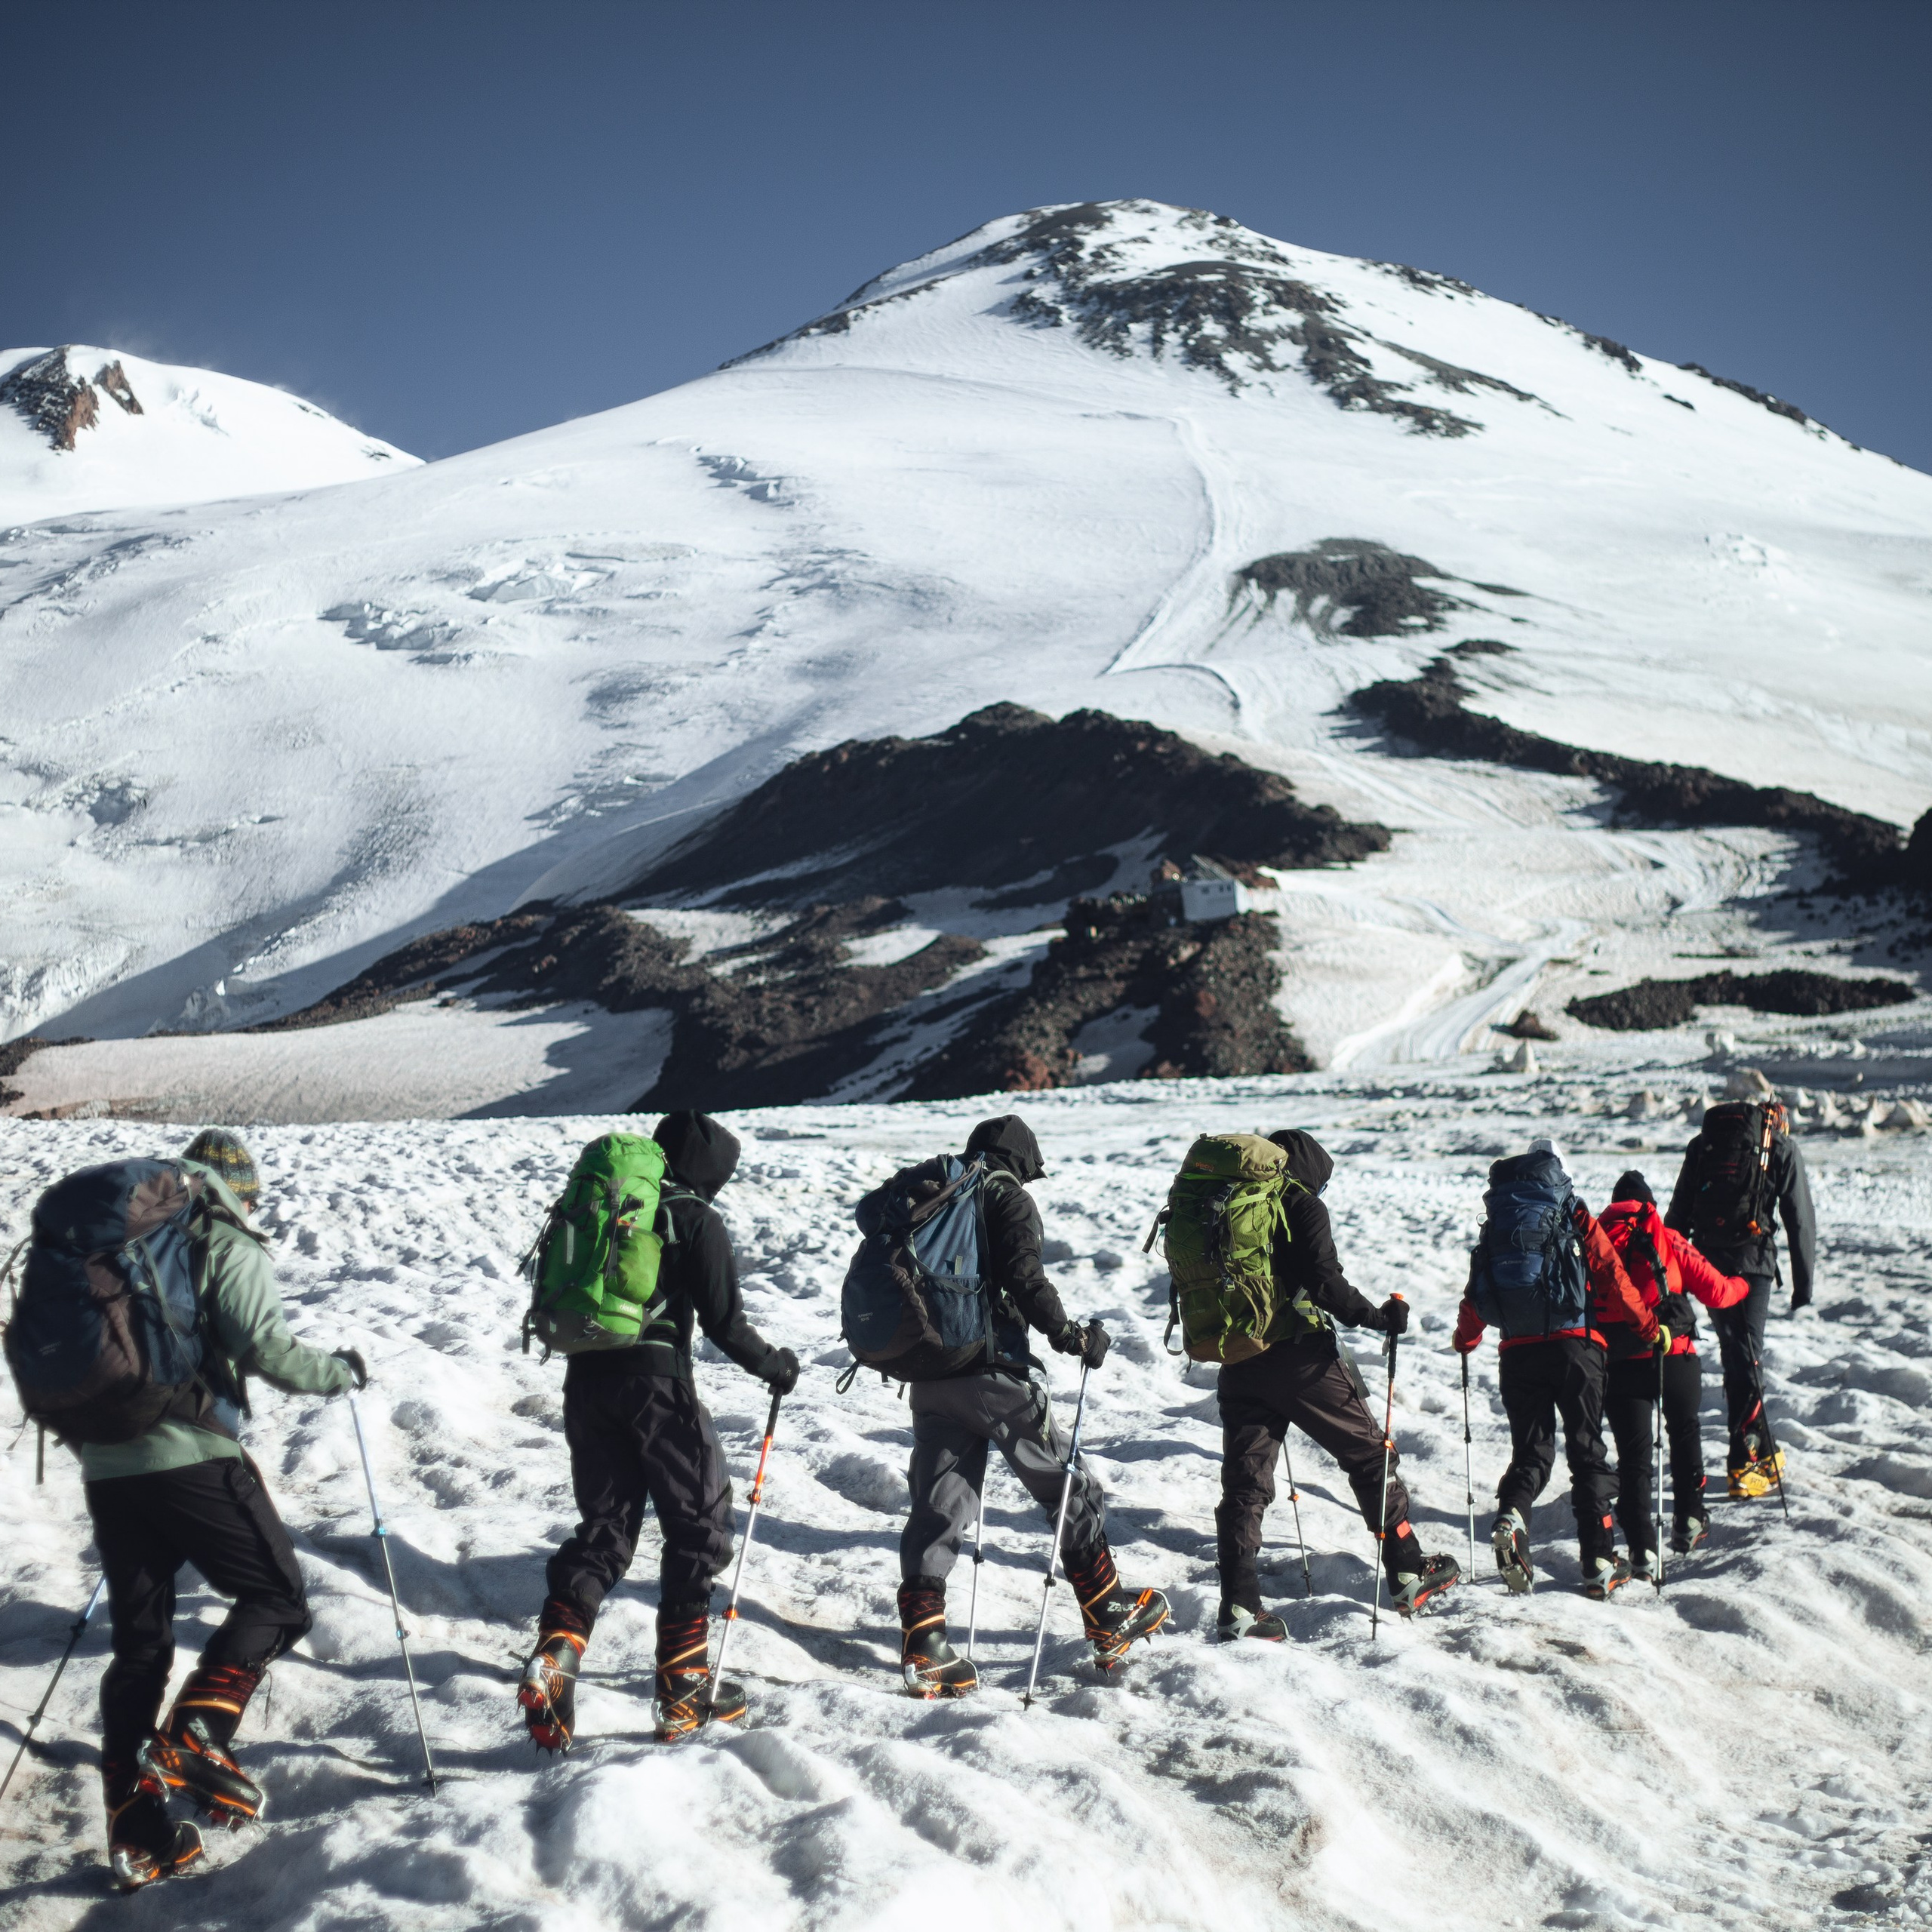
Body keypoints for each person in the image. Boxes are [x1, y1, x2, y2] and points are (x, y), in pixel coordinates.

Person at [81, 1128, 362, 1890]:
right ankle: (199, 1734)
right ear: (239, 1186)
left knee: (142, 1644)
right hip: (189, 1452)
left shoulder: (126, 1241)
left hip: (109, 1462)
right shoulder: (225, 1240)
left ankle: (139, 1833)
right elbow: (266, 1346)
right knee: (277, 1594)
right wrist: (337, 1372)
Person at [518, 1111, 799, 1749]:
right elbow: (727, 1324)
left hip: (586, 1382)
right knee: (698, 1527)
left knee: (607, 1531)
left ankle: (556, 1652)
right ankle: (683, 1685)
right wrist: (775, 1366)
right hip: (657, 1386)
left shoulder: (612, 1210)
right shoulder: (693, 1218)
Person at [896, 1115, 1169, 1696]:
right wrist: (1071, 1336)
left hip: (930, 1375)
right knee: (1069, 1487)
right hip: (993, 1374)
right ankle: (1105, 1612)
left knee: (939, 1505)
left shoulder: (937, 1197)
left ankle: (925, 1648)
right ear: (1021, 1161)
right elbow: (1025, 1277)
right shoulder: (1006, 1197)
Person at [1216, 1130, 1460, 1639]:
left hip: (1238, 1357)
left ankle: (1239, 1607)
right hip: (1299, 1358)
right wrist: (1379, 1318)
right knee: (1371, 1456)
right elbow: (1325, 1281)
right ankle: (1408, 1570)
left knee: (1245, 1482)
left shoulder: (1227, 1203)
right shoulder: (1300, 1205)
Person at [1453, 1139, 1659, 1599]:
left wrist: (1467, 1338)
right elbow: (1610, 1270)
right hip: (1576, 1347)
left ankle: (1512, 1515)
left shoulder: (1501, 1217)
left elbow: (1478, 1282)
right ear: (1560, 1167)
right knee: (1587, 1453)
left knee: (1532, 1453)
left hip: (1517, 1352)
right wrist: (1645, 1324)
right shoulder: (1570, 1208)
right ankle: (1600, 1560)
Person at [1666, 1096, 1815, 1498]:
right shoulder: (1780, 1146)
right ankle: (1741, 1461)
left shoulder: (1703, 1146)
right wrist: (1803, 1288)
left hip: (1706, 1262)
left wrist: (1666, 1279)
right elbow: (1799, 1217)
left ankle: (1764, 1448)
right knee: (1745, 1356)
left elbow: (1678, 1215)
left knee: (1738, 1353)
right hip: (1752, 1263)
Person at [1598, 1171, 1749, 1565]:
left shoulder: (1596, 1242)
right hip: (1675, 1356)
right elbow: (1718, 1291)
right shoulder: (1665, 1237)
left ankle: (1642, 1547)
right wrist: (1743, 1284)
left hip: (1619, 1362)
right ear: (1648, 1205)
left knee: (1634, 1456)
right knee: (1684, 1432)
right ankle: (1689, 1518)